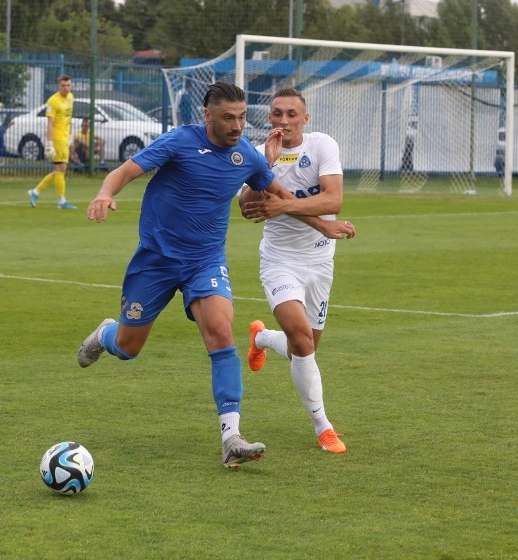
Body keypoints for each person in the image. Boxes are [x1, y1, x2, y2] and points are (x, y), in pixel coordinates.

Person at [77, 82, 337, 468]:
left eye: (242, 117)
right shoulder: (179, 142)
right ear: (208, 115)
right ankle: (106, 333)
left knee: (220, 331)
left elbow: (280, 196)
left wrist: (323, 225)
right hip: (157, 260)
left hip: (206, 261)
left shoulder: (247, 155)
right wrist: (104, 192)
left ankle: (231, 436)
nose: (236, 125)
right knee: (129, 347)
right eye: (228, 117)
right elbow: (127, 170)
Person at [238, 88, 355, 454]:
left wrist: (283, 206)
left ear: (305, 118)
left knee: (301, 349)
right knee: (302, 341)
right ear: (269, 117)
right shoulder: (259, 155)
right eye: (277, 114)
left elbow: (334, 200)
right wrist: (265, 167)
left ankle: (261, 338)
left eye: (291, 114)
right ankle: (324, 428)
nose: (283, 121)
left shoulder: (322, 146)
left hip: (320, 261)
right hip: (279, 261)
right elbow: (244, 206)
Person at [27, 74, 77, 210]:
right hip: (57, 138)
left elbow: (69, 118)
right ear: (58, 86)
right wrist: (49, 144)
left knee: (60, 170)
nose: (66, 88)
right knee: (61, 170)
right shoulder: (53, 101)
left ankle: (35, 192)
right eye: (63, 86)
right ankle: (61, 201)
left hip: (65, 138)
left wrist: (70, 135)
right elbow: (50, 123)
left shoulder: (71, 98)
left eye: (68, 85)